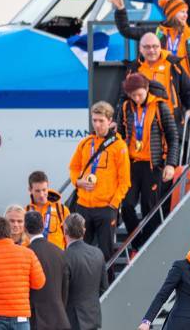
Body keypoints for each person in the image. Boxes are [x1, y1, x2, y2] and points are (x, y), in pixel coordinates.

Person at [109, 0, 190, 110]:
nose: (185, 15)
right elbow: (126, 31)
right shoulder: (157, 32)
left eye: (186, 12)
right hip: (160, 88)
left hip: (185, 89)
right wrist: (121, 9)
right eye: (182, 12)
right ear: (172, 13)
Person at [117, 73, 178, 253]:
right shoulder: (126, 107)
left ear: (146, 89)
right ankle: (138, 241)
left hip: (153, 166)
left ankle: (148, 246)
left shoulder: (160, 107)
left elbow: (173, 137)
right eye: (133, 95)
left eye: (140, 94)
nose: (136, 98)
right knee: (127, 204)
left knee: (148, 208)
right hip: (131, 164)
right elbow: (120, 136)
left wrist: (171, 164)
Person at [69, 100, 130, 264]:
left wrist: (113, 204)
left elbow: (125, 181)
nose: (97, 124)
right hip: (83, 206)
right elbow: (73, 168)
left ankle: (107, 288)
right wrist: (78, 182)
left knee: (106, 253)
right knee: (79, 252)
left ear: (110, 121)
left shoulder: (119, 146)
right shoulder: (85, 143)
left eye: (101, 120)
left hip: (106, 208)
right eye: (94, 120)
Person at [123, 32, 190, 132]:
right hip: (142, 123)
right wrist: (116, 119)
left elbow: (188, 90)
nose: (151, 50)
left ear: (160, 47)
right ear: (140, 49)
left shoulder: (172, 64)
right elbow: (124, 96)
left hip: (171, 121)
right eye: (147, 47)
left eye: (155, 46)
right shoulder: (133, 68)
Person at [25, 211, 70, 330]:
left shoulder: (25, 253)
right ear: (44, 224)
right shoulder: (59, 252)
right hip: (59, 318)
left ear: (25, 228)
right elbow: (65, 288)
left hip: (36, 320)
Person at [63, 213, 108, 330]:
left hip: (71, 320)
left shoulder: (64, 257)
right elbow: (104, 287)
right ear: (84, 230)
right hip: (93, 317)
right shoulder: (98, 253)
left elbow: (62, 292)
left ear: (65, 231)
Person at [25, 171, 69, 250]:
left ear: (48, 187)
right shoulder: (25, 212)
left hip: (57, 258)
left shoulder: (62, 210)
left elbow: (70, 237)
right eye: (37, 191)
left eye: (44, 190)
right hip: (34, 258)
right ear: (30, 190)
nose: (41, 195)